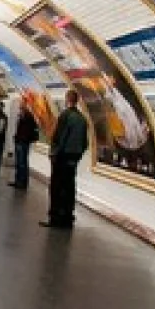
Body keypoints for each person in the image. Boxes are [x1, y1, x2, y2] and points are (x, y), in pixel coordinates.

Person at [43, 89, 90, 229]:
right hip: (73, 158)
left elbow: (59, 137)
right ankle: (68, 217)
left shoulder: (65, 116)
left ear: (67, 99)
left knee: (57, 188)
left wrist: (54, 153)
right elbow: (85, 142)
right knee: (69, 187)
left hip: (62, 157)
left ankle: (55, 218)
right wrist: (78, 155)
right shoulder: (82, 118)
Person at [11, 107, 39, 190]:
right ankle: (18, 180)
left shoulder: (27, 119)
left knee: (22, 163)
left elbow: (25, 132)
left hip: (23, 143)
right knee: (19, 163)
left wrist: (20, 138)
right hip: (21, 142)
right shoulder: (25, 119)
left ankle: (22, 182)